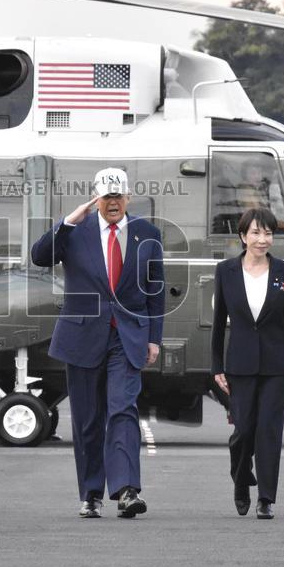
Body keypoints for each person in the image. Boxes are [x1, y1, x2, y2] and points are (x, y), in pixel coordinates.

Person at [30, 167, 165, 519]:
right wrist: (68, 222)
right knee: (88, 420)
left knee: (123, 408)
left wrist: (154, 338)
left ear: (128, 198)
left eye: (119, 196)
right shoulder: (76, 233)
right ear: (97, 198)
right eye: (107, 197)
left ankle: (126, 491)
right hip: (82, 336)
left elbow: (156, 289)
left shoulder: (147, 234)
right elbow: (39, 256)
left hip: (128, 336)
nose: (114, 202)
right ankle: (91, 494)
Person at [211, 207, 284, 520]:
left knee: (268, 429)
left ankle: (266, 498)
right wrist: (216, 366)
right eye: (255, 232)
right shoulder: (225, 271)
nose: (262, 239)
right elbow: (218, 322)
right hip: (240, 363)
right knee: (243, 431)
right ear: (243, 236)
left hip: (278, 365)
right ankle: (240, 478)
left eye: (267, 233)